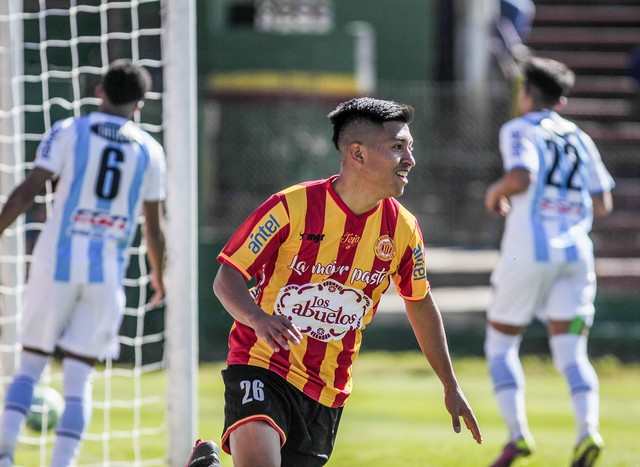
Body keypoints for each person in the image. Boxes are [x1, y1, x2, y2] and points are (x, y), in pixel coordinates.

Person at [190, 97, 482, 466]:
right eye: (397, 148)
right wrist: (259, 320)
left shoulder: (404, 230)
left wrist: (450, 384)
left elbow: (419, 302)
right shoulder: (292, 206)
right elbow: (227, 275)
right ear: (357, 154)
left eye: (410, 148)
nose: (410, 159)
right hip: (262, 363)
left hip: (327, 389)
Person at [0, 59, 166, 467]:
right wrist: (159, 275)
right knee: (79, 377)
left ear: (99, 92)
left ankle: (4, 455)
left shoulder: (70, 130)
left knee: (32, 363)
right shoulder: (150, 149)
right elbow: (154, 227)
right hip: (106, 272)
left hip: (56, 261)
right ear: (140, 105)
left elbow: (28, 190)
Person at [483, 56, 614, 467]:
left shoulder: (519, 128)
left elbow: (521, 175)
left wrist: (495, 192)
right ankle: (588, 432)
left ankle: (518, 436)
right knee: (573, 353)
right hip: (576, 254)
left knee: (502, 344)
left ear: (526, 94)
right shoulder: (579, 136)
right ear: (561, 101)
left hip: (529, 252)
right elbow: (604, 202)